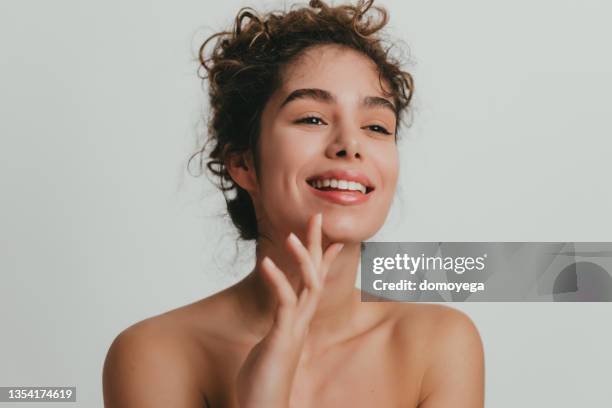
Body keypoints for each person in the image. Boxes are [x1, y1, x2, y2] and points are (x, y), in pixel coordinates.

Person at [102, 0, 484, 406]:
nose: (350, 146)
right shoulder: (154, 353)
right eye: (313, 118)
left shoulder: (439, 343)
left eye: (376, 126)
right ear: (243, 163)